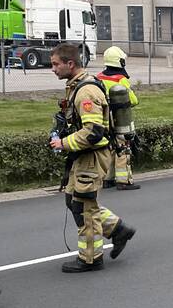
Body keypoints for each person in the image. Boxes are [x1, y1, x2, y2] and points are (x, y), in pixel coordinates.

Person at [49, 43, 136, 272]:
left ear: (70, 64)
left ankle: (91, 258)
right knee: (73, 200)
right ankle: (118, 230)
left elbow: (93, 131)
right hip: (83, 156)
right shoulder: (76, 86)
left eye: (56, 64)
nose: (53, 69)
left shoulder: (86, 91)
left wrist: (63, 143)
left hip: (92, 156)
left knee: (83, 206)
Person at [96, 46, 140, 190]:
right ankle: (124, 181)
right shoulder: (120, 80)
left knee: (110, 148)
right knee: (123, 148)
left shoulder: (98, 77)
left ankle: (107, 179)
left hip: (104, 120)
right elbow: (133, 100)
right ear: (119, 62)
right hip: (120, 119)